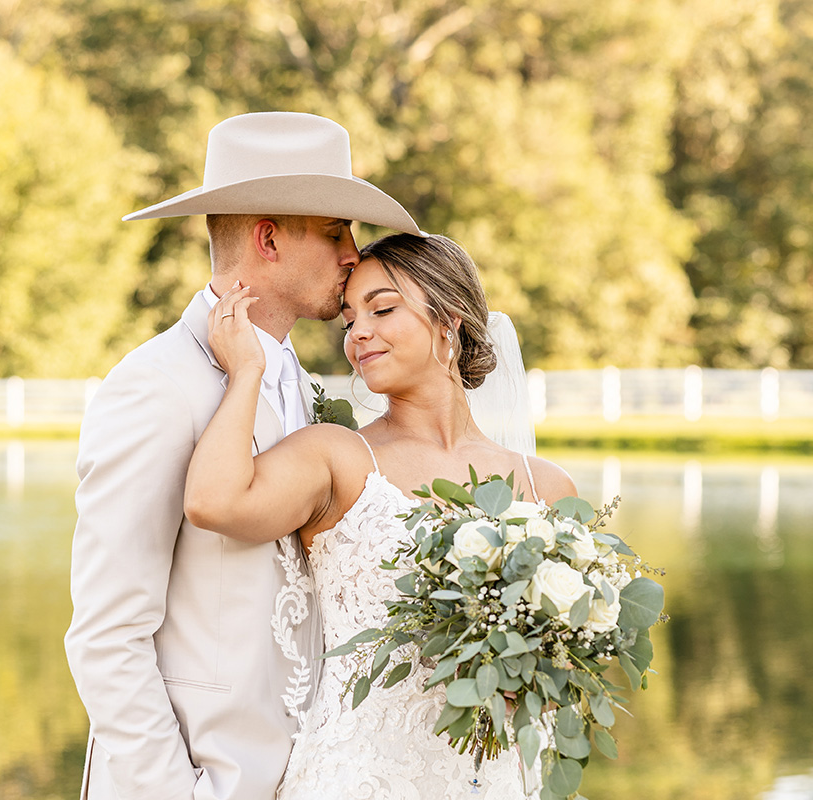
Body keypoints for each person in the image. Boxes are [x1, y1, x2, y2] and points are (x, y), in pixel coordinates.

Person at [64, 111, 426, 800]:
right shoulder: (156, 385)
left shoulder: (308, 387)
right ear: (267, 238)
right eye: (334, 232)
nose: (354, 254)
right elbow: (107, 636)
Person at [183, 233, 578, 799]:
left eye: (382, 309)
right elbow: (211, 501)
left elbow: (566, 663)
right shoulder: (337, 457)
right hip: (359, 778)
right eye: (348, 320)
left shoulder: (549, 488)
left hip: (493, 779)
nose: (358, 333)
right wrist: (247, 370)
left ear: (450, 321)